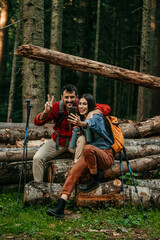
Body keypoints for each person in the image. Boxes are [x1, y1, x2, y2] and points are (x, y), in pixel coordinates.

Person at [46, 93, 115, 218]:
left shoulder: (96, 116)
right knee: (73, 172)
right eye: (81, 104)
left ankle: (94, 180)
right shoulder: (83, 119)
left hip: (105, 155)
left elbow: (92, 124)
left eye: (85, 104)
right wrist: (78, 128)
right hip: (91, 155)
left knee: (87, 148)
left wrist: (82, 123)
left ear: (90, 105)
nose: (82, 106)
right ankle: (60, 205)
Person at [33, 85, 111, 182]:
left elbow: (107, 108)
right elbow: (37, 122)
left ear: (76, 97)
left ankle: (77, 175)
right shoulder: (57, 107)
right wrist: (45, 112)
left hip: (76, 141)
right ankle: (37, 187)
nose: (69, 100)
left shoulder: (81, 105)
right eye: (66, 97)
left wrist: (94, 112)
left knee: (82, 139)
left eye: (72, 97)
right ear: (62, 97)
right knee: (37, 158)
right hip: (58, 141)